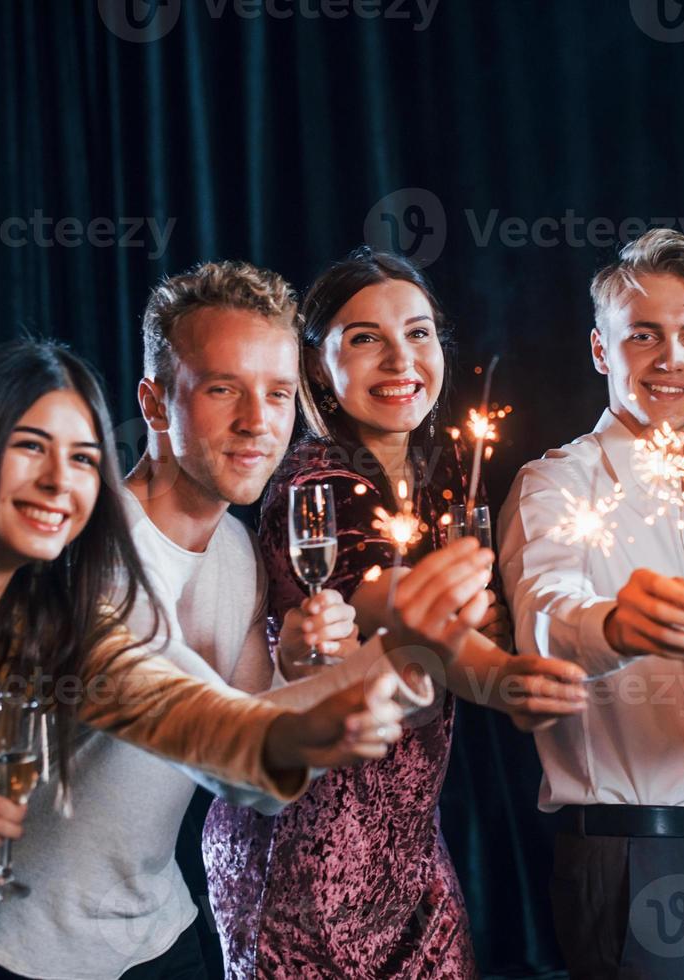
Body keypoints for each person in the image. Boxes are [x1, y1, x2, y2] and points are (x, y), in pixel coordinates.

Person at [0, 339, 419, 980]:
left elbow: (189, 716)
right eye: (31, 447)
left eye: (85, 459)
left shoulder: (55, 621)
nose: (58, 482)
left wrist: (330, 702)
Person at [0, 264, 395, 978]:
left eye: (278, 393)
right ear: (154, 404)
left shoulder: (239, 551)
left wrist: (300, 670)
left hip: (159, 935)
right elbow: (234, 762)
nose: (258, 421)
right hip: (15, 944)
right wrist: (404, 649)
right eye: (223, 389)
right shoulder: (82, 554)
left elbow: (265, 781)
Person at [203, 248, 589, 978]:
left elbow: (457, 628)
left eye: (417, 333)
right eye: (364, 338)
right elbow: (395, 604)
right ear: (318, 366)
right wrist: (502, 677)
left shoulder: (435, 483)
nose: (399, 358)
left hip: (408, 850)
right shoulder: (313, 486)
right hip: (304, 854)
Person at [499, 229, 684, 977]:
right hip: (635, 859)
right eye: (643, 336)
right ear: (601, 350)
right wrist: (613, 626)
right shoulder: (557, 483)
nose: (670, 359)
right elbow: (545, 616)